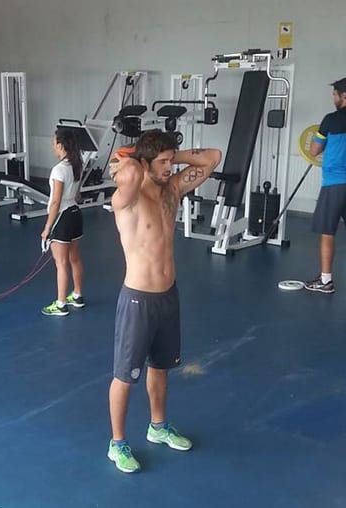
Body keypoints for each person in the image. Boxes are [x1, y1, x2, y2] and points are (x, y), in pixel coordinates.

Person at [106, 131, 222, 473]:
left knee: (161, 367)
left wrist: (170, 154)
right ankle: (117, 443)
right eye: (162, 162)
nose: (169, 167)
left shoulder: (171, 191)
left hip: (168, 296)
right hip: (138, 300)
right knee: (124, 376)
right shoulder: (128, 199)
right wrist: (132, 158)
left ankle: (158, 426)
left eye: (171, 161)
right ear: (144, 164)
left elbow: (213, 156)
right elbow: (128, 173)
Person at [304, 77, 346, 294]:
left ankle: (326, 281)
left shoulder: (330, 120)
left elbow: (314, 150)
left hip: (334, 182)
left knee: (327, 231)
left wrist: (324, 141)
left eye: (334, 94)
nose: (333, 98)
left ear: (344, 95)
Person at [41, 127, 85, 316]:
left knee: (61, 263)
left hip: (63, 217)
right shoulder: (77, 165)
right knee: (74, 259)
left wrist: (47, 228)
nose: (53, 146)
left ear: (61, 145)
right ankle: (77, 295)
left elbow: (56, 202)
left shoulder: (59, 170)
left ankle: (60, 305)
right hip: (75, 213)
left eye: (54, 143)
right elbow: (76, 194)